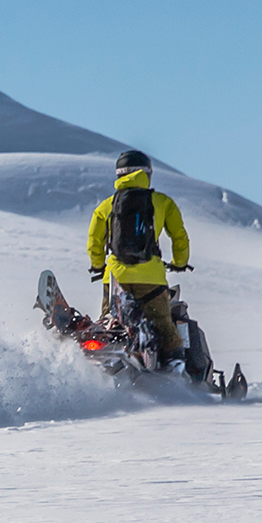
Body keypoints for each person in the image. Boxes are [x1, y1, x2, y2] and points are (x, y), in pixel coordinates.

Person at [87, 148, 194, 364]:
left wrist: (98, 266)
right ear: (147, 173)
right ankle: (177, 379)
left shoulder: (107, 205)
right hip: (151, 279)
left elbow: (94, 242)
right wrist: (179, 262)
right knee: (166, 330)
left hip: (116, 279)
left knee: (112, 327)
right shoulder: (163, 202)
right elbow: (180, 237)